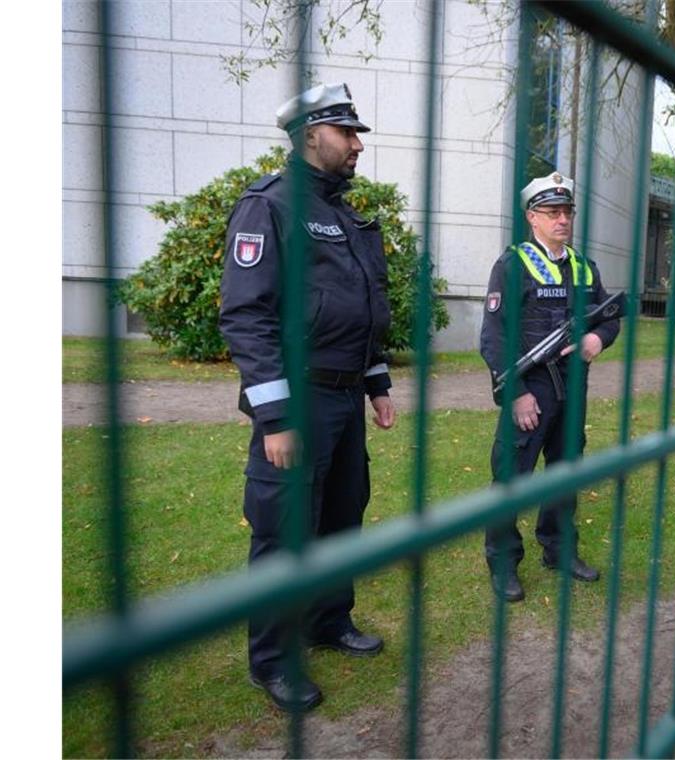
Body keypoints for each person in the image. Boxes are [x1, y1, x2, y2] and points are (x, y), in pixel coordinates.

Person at [219, 82, 395, 712]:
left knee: (343, 516)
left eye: (356, 134)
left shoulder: (344, 212)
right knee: (284, 528)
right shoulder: (269, 205)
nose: (356, 145)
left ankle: (327, 619)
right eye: (347, 133)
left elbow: (362, 309)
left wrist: (376, 385)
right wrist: (274, 414)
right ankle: (271, 659)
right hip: (297, 400)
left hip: (346, 400)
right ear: (308, 135)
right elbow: (247, 316)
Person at [479, 171, 621, 602]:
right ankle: (503, 562)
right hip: (531, 387)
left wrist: (598, 338)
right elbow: (494, 336)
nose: (562, 220)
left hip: (573, 389)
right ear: (532, 217)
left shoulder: (583, 266)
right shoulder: (512, 265)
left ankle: (558, 550)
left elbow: (609, 313)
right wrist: (518, 391)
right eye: (552, 212)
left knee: (565, 473)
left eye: (567, 212)